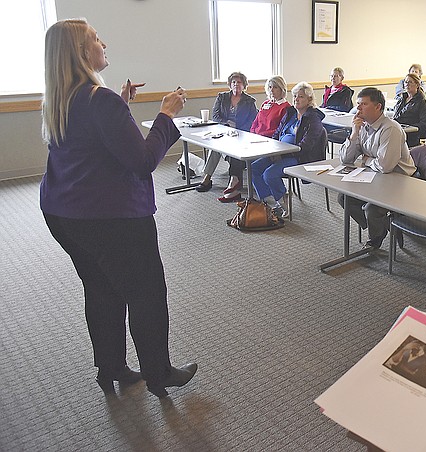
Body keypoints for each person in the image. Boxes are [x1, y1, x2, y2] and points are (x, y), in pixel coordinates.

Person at [40, 19, 197, 398]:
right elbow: (143, 161)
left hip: (63, 212)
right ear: (81, 51)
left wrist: (122, 107)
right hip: (109, 217)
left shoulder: (62, 97)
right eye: (96, 39)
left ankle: (110, 366)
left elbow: (90, 141)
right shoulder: (99, 99)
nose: (103, 42)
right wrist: (166, 116)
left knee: (101, 288)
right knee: (146, 293)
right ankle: (158, 374)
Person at [338, 88, 416, 250]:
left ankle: (376, 237)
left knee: (372, 208)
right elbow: (346, 159)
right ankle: (382, 225)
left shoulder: (390, 129)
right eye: (358, 104)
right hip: (375, 177)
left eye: (364, 104)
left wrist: (365, 159)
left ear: (378, 107)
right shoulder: (363, 126)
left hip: (400, 181)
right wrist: (354, 134)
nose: (358, 109)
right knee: (344, 197)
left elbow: (386, 166)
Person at [251, 82, 326, 219]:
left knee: (269, 174)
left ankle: (282, 201)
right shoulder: (290, 113)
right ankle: (273, 201)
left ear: (309, 100)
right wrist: (273, 150)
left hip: (300, 157)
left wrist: (283, 154)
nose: (296, 99)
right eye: (295, 96)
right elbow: (277, 133)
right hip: (279, 153)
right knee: (254, 168)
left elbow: (305, 146)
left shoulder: (313, 119)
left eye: (301, 97)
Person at [196, 71, 257, 202]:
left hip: (241, 135)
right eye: (233, 82)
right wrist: (227, 125)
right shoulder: (222, 97)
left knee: (226, 148)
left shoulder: (249, 101)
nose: (236, 84)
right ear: (230, 84)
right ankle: (207, 178)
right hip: (224, 131)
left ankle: (233, 181)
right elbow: (216, 116)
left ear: (244, 85)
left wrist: (238, 130)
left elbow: (252, 121)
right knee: (216, 146)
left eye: (239, 82)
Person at [393, 73, 426, 146]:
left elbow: (425, 125)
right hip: (398, 130)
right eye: (406, 82)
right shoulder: (402, 99)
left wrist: (410, 127)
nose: (407, 84)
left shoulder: (422, 102)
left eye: (410, 82)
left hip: (412, 135)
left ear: (417, 85)